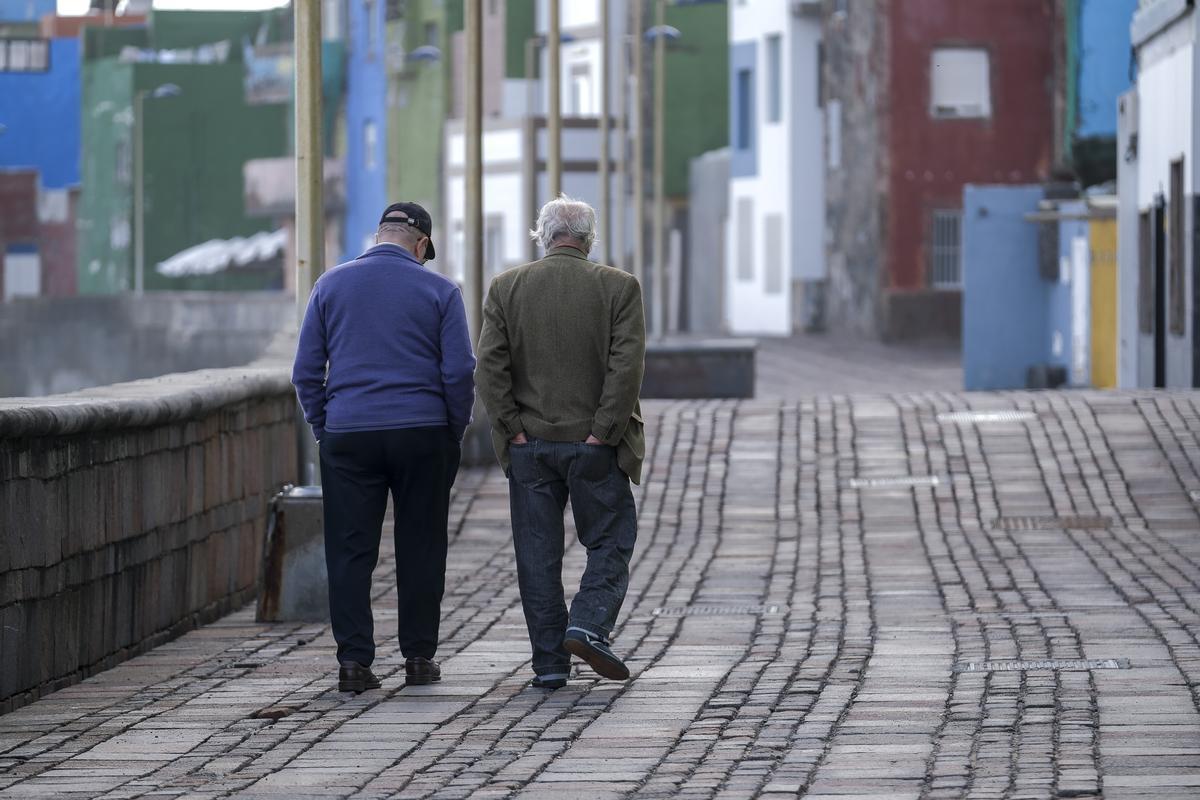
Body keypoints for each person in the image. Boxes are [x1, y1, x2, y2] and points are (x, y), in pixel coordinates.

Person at [292, 202, 475, 694]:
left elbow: (305, 372)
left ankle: (354, 662)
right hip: (423, 433)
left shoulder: (329, 285)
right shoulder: (441, 291)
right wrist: (452, 430)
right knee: (422, 546)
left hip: (349, 433)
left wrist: (325, 428)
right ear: (421, 245)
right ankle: (418, 657)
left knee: (350, 551)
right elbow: (459, 371)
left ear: (379, 237)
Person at [475, 195, 646, 690]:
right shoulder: (619, 287)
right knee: (611, 538)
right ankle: (588, 625)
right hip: (595, 447)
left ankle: (549, 663)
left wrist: (513, 429)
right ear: (589, 238)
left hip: (530, 446)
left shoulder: (506, 287)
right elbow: (626, 368)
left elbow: (489, 367)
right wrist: (602, 432)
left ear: (543, 235)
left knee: (537, 556)